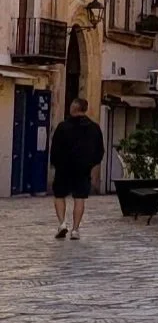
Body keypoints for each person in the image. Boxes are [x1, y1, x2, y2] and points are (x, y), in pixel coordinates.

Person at [48, 97, 105, 240]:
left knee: (59, 195)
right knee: (79, 198)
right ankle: (75, 229)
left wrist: (56, 163)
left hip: (64, 168)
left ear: (74, 107)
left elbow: (55, 148)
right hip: (83, 169)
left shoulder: (63, 127)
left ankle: (62, 224)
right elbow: (100, 150)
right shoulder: (94, 128)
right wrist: (91, 164)